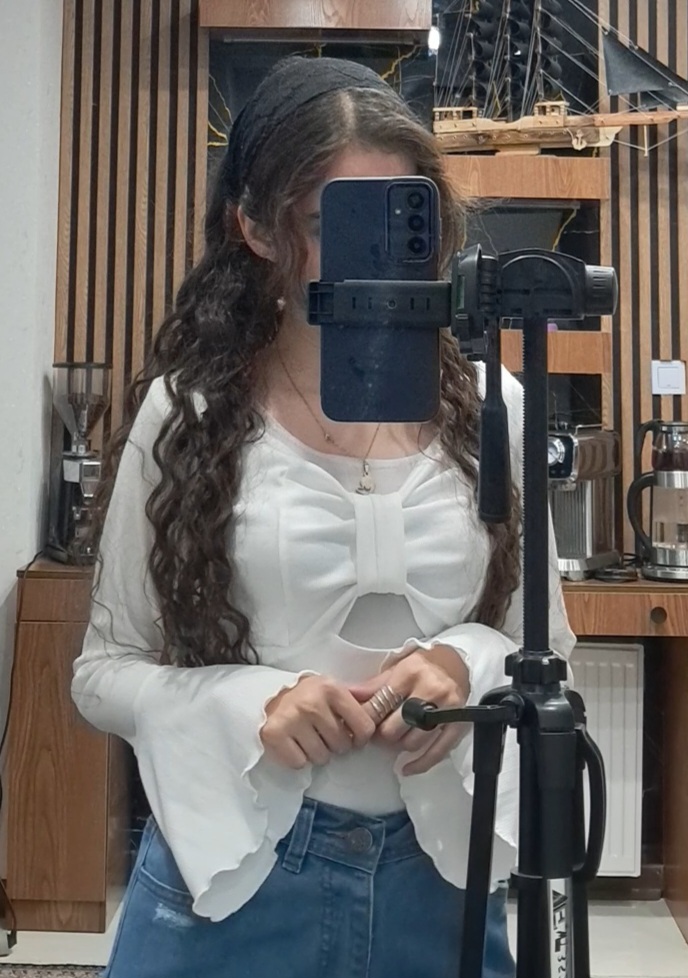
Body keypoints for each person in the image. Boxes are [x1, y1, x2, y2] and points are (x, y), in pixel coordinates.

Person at [72, 55, 575, 978]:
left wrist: (464, 663)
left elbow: (545, 649)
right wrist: (249, 705)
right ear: (257, 228)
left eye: (402, 220)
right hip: (232, 881)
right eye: (332, 223)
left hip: (442, 884)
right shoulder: (188, 414)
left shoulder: (492, 409)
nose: (376, 256)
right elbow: (101, 674)